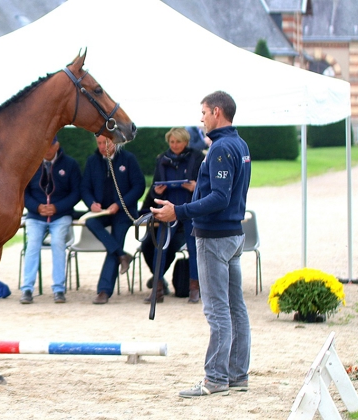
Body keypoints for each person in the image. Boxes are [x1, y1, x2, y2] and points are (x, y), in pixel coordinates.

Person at [151, 91, 251, 398]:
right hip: (232, 234)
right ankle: (236, 374)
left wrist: (177, 211)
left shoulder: (221, 148)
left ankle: (216, 377)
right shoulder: (240, 144)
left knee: (217, 310)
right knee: (236, 308)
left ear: (217, 112)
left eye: (204, 113)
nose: (202, 118)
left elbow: (219, 197)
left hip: (215, 237)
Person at [141, 127, 203, 303]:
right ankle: (157, 288)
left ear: (186, 142)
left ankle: (194, 288)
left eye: (178, 142)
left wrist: (195, 187)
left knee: (193, 248)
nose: (175, 145)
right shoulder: (162, 159)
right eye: (172, 142)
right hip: (168, 210)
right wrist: (157, 191)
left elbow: (205, 184)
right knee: (160, 247)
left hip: (190, 209)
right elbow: (154, 190)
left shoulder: (197, 157)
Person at [81, 134, 145, 304]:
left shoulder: (128, 159)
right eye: (100, 143)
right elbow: (85, 187)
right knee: (90, 222)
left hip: (123, 212)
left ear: (114, 142)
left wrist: (119, 204)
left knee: (116, 240)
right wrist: (91, 203)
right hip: (101, 212)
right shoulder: (92, 161)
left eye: (106, 142)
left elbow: (139, 186)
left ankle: (104, 290)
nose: (102, 146)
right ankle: (122, 255)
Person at [20, 136, 82, 304]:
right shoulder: (31, 164)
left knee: (58, 243)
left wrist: (58, 207)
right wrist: (37, 207)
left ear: (57, 146)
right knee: (32, 244)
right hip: (35, 216)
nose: (47, 149)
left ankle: (59, 289)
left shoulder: (70, 165)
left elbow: (77, 192)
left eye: (50, 145)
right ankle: (26, 289)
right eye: (44, 145)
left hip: (60, 215)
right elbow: (22, 192)